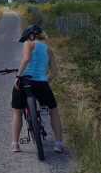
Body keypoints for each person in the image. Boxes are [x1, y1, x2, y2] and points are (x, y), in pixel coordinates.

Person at [10, 24, 65, 154]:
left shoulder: (29, 43)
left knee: (17, 111)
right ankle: (58, 143)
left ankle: (15, 144)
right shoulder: (48, 49)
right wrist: (45, 80)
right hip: (42, 83)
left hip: (26, 81)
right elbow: (55, 72)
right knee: (54, 111)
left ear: (30, 35)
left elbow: (26, 59)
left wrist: (18, 76)